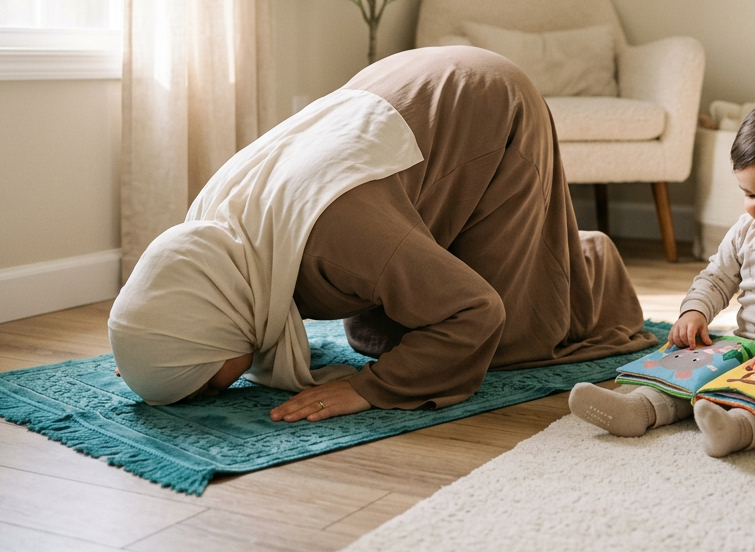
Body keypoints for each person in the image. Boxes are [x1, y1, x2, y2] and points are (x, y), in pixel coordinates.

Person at [108, 46, 658, 418]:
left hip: (488, 100)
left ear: (209, 327)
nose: (218, 390)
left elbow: (476, 311)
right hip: (399, 86)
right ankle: (546, 252)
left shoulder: (332, 242)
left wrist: (368, 389)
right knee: (374, 335)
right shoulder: (213, 230)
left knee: (509, 339)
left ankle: (586, 260)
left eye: (205, 383)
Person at [568, 96, 755, 457]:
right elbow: (715, 277)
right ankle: (640, 409)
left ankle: (739, 430)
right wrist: (694, 312)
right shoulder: (747, 230)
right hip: (746, 347)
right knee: (694, 367)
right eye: (749, 194)